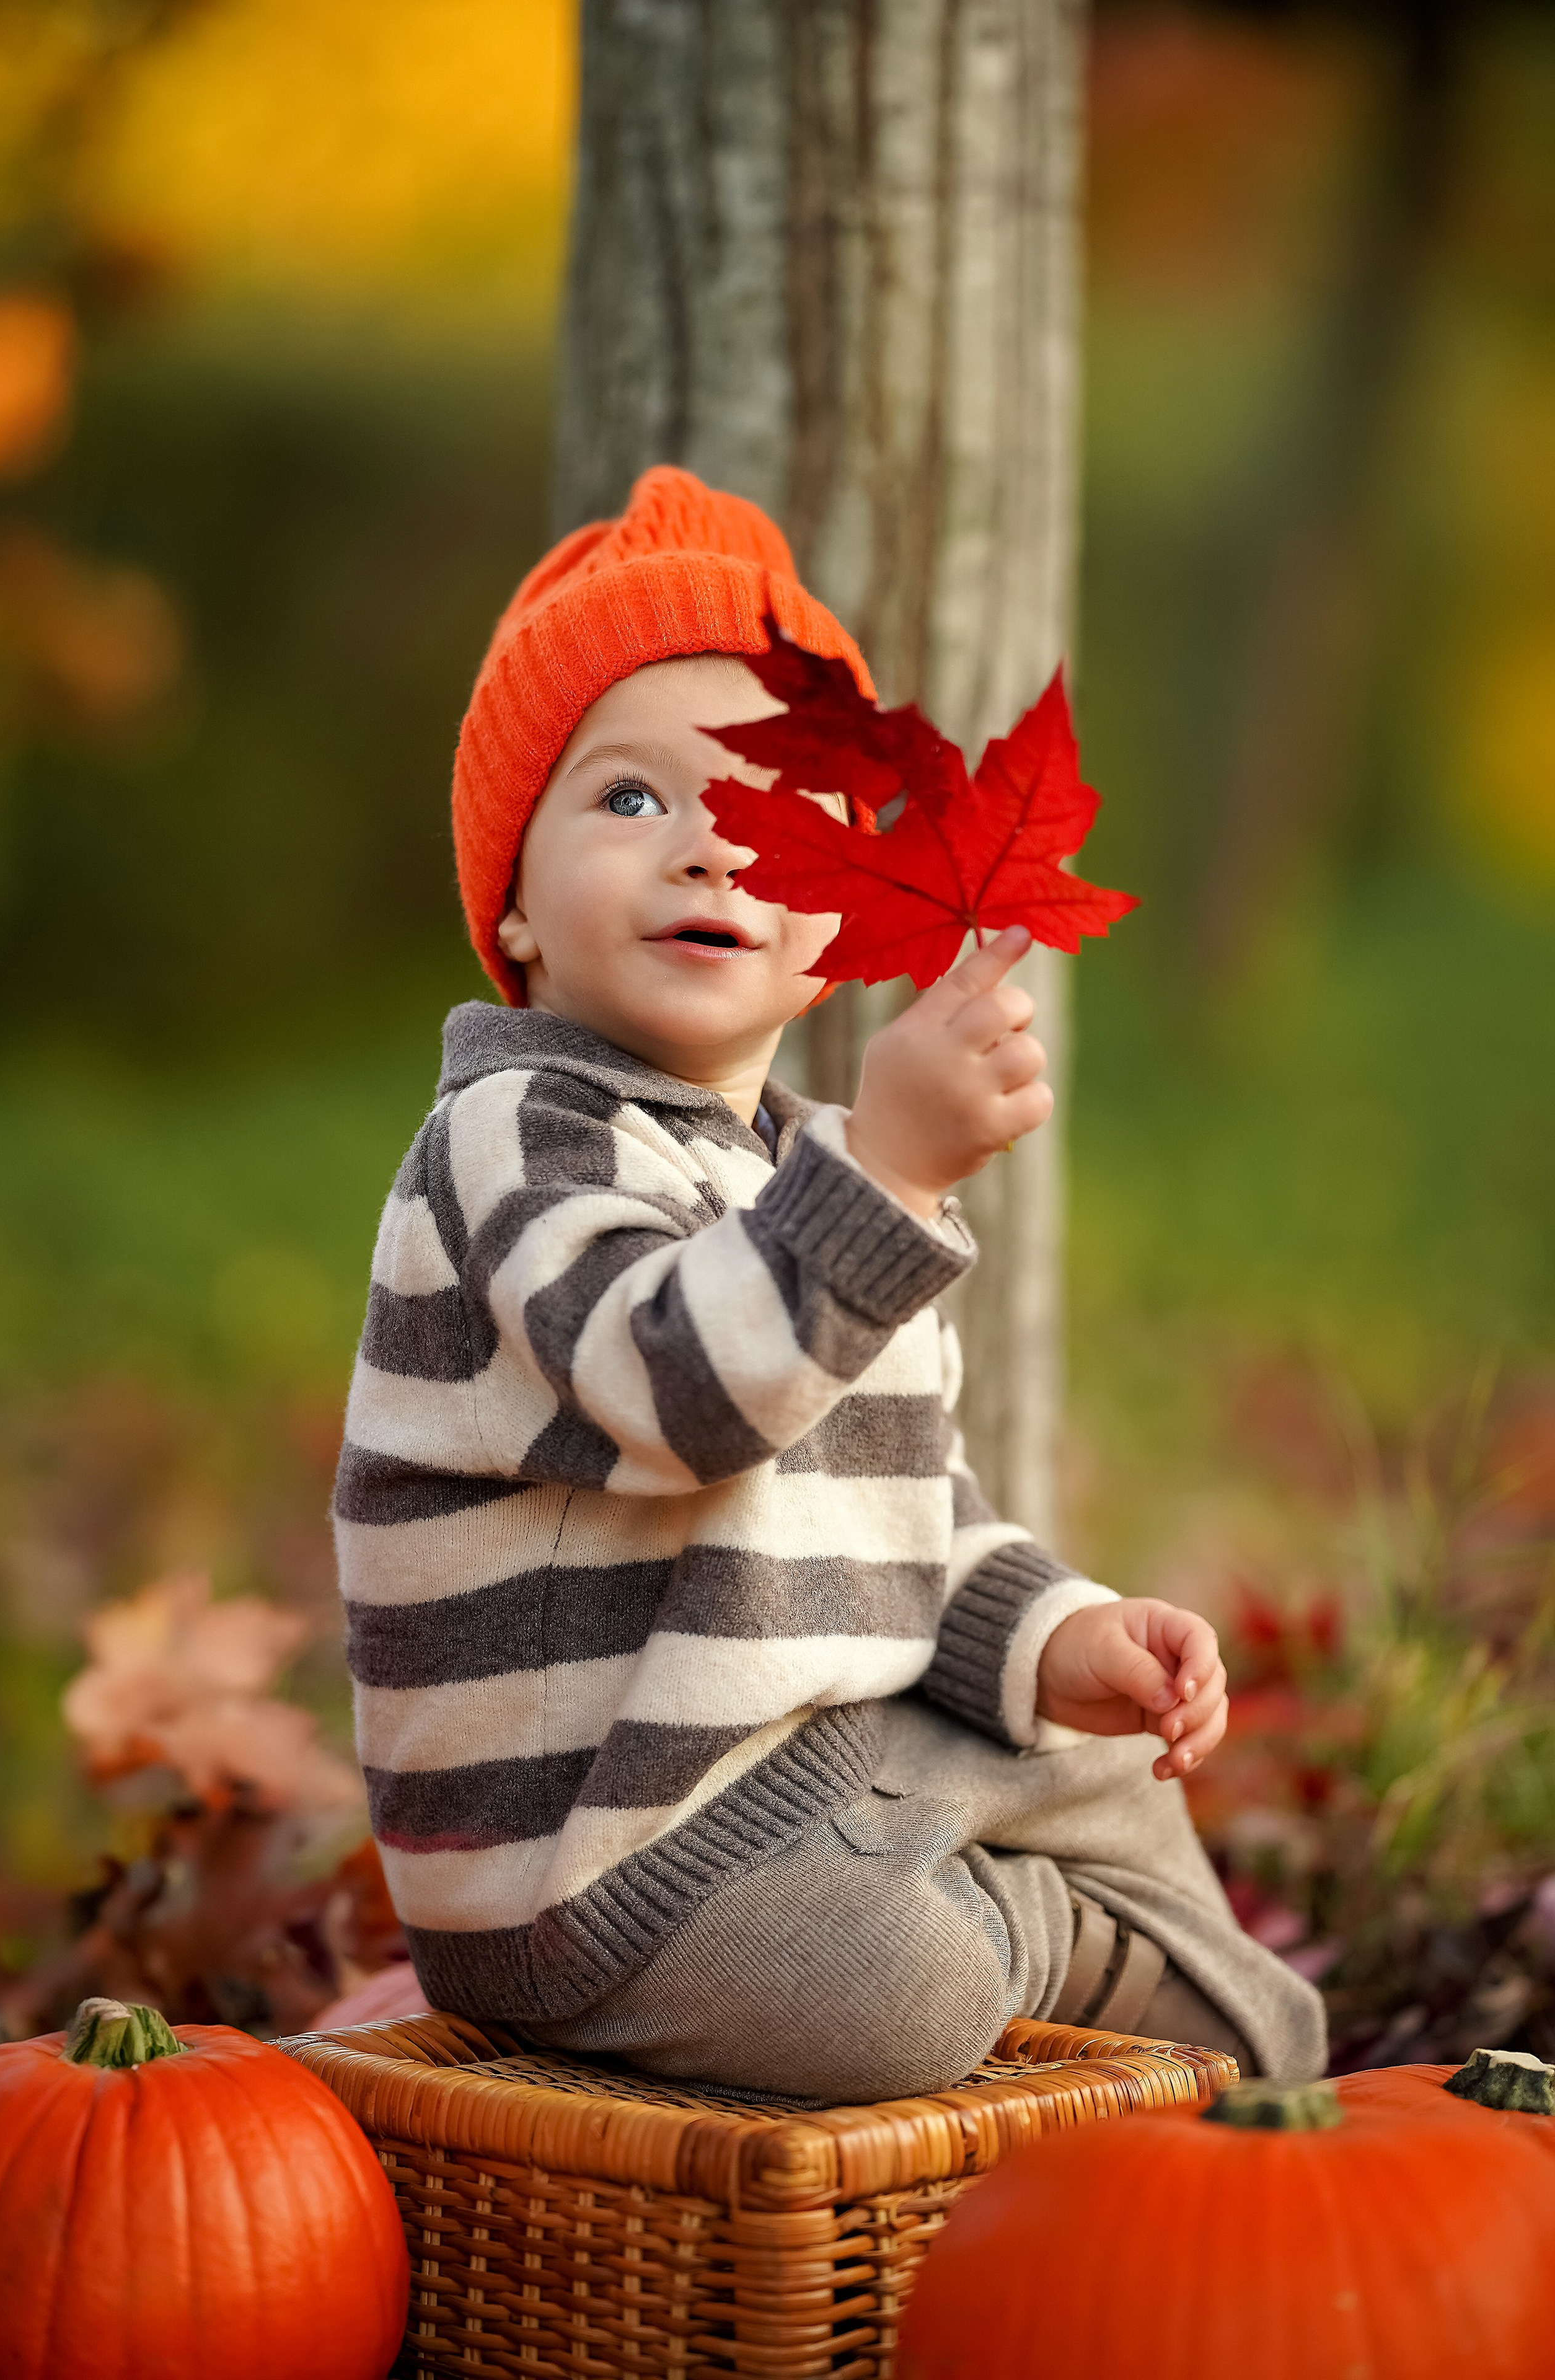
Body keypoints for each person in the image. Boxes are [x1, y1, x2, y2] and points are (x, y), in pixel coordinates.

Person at [337, 465, 1326, 2100]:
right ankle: (1035, 1945)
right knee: (901, 2000)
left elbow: (903, 1525)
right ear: (509, 906)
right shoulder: (514, 1137)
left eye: (772, 812)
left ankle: (1266, 2076)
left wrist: (1059, 1636)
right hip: (605, 1874)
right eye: (630, 801)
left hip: (806, 1778)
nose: (711, 851)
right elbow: (675, 1392)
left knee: (1102, 1751)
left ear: (843, 921)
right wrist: (895, 1175)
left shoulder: (804, 1171)